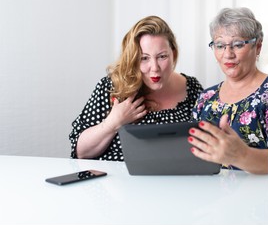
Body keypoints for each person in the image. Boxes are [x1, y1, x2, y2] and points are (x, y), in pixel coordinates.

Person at [188, 7, 268, 175]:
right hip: (218, 196)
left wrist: (241, 155)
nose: (228, 54)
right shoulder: (206, 99)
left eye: (238, 44)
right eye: (219, 45)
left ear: (258, 46)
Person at [69, 15, 203, 161]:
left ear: (173, 54)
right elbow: (80, 152)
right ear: (133, 59)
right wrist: (113, 123)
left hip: (176, 181)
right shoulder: (113, 87)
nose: (154, 68)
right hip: (116, 181)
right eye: (144, 58)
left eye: (162, 56)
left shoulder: (192, 88)